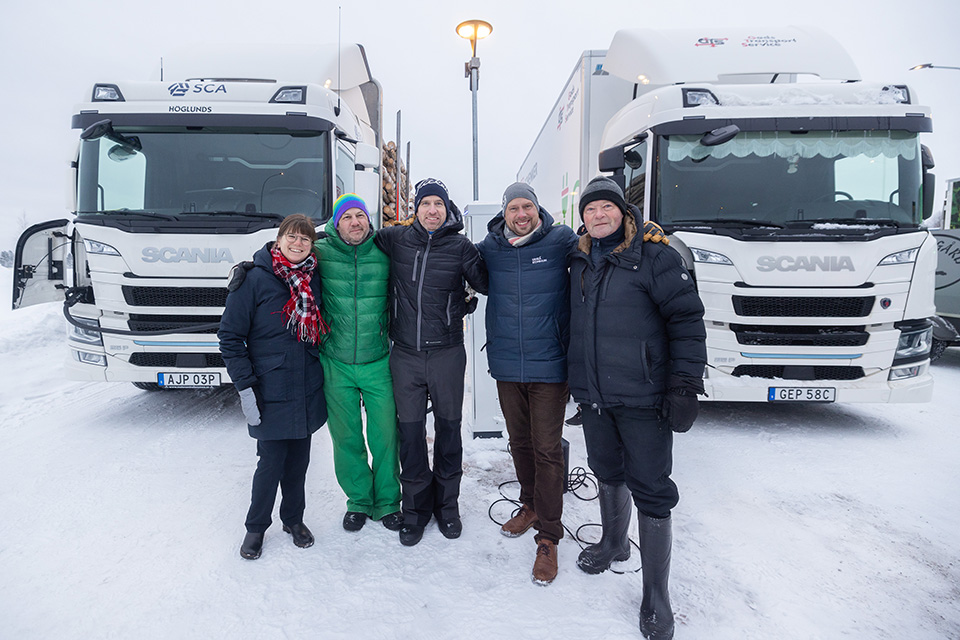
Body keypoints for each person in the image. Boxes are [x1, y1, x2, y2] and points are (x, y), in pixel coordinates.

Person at [568, 176, 706, 640]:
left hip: (644, 397)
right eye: (590, 210)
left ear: (624, 213)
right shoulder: (579, 260)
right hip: (595, 397)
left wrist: (685, 385)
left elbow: (687, 320)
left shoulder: (656, 256)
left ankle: (656, 595)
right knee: (606, 470)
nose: (598, 215)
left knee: (651, 488)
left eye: (607, 207)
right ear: (582, 217)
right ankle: (612, 543)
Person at [374, 178, 488, 547]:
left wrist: (468, 296)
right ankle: (415, 510)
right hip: (405, 354)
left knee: (448, 430)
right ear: (415, 209)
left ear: (447, 209)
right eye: (426, 204)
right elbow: (351, 242)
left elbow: (488, 281)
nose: (432, 210)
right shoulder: (395, 240)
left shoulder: (461, 247)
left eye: (439, 204)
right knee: (409, 434)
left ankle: (447, 506)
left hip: (447, 354)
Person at [476, 182, 578, 585]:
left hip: (550, 364)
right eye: (514, 208)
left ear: (538, 209)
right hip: (506, 362)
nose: (521, 214)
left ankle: (549, 536)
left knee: (547, 448)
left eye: (527, 206)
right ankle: (531, 504)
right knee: (519, 441)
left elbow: (601, 251)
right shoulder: (489, 249)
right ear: (504, 213)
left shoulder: (561, 241)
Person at [218, 214, 329, 560]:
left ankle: (293, 520)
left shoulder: (314, 277)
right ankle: (255, 528)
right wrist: (245, 387)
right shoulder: (252, 279)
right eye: (292, 237)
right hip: (269, 389)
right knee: (270, 464)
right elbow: (230, 338)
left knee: (299, 463)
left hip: (306, 385)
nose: (298, 244)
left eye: (305, 240)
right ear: (278, 239)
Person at [314, 194, 403, 533]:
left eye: (360, 216)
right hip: (335, 361)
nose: (355, 222)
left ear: (369, 221)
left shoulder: (384, 253)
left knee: (385, 435)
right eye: (347, 217)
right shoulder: (320, 253)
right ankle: (359, 501)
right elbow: (284, 255)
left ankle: (388, 502)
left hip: (377, 359)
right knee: (346, 437)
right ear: (336, 224)